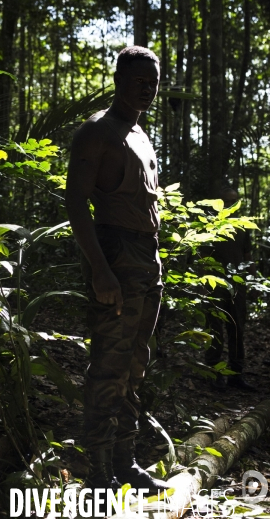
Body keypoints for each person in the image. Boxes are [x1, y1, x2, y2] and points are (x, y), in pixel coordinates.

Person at [65, 46, 167, 493]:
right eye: (139, 81)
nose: (147, 89)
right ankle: (98, 473)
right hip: (116, 255)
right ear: (118, 80)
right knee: (109, 365)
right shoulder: (97, 132)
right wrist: (101, 270)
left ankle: (125, 463)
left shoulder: (140, 134)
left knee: (135, 364)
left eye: (153, 83)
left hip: (148, 258)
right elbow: (76, 203)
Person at [205, 187, 256, 392]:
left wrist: (251, 282)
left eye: (234, 202)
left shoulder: (242, 227)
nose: (230, 206)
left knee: (237, 330)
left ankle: (236, 375)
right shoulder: (210, 226)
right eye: (226, 201)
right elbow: (202, 257)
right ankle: (214, 375)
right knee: (215, 330)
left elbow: (247, 255)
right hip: (215, 286)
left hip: (237, 287)